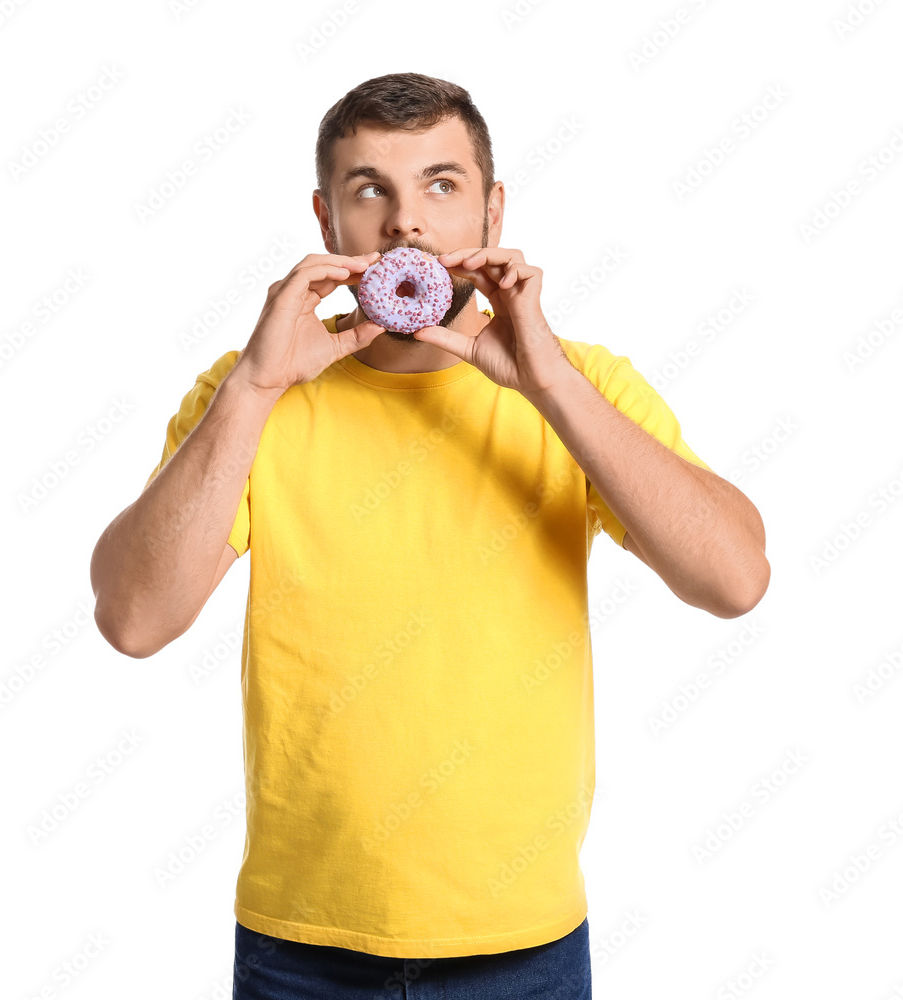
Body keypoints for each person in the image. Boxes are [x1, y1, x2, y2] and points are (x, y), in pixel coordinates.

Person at [90, 72, 770, 999]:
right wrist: (252, 390)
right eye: (371, 189)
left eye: (441, 187)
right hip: (302, 948)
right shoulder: (247, 393)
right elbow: (133, 618)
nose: (406, 224)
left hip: (522, 945)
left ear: (493, 212)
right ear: (327, 221)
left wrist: (548, 387)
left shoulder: (583, 387)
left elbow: (733, 579)